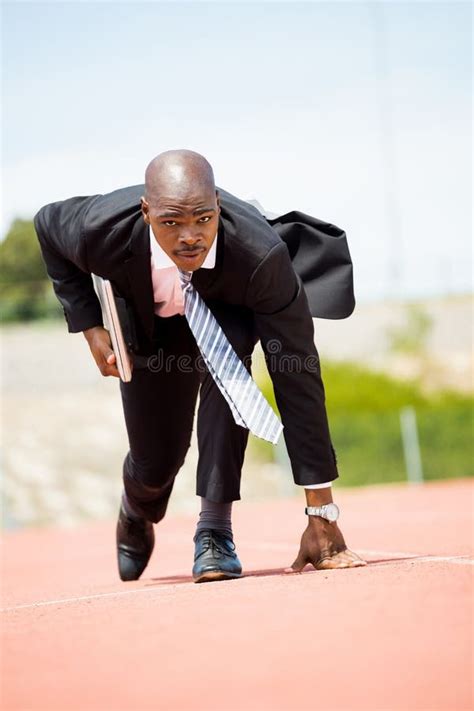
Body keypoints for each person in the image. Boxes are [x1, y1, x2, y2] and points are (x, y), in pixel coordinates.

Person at [34, 149, 366, 583]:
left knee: (232, 380)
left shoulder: (262, 257)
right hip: (152, 325)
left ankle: (214, 532)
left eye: (203, 220)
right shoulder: (100, 227)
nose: (190, 236)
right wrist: (89, 325)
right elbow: (46, 225)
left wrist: (321, 512)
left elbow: (297, 375)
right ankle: (137, 507)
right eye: (171, 222)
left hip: (227, 302)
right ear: (146, 212)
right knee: (156, 461)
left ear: (218, 209)